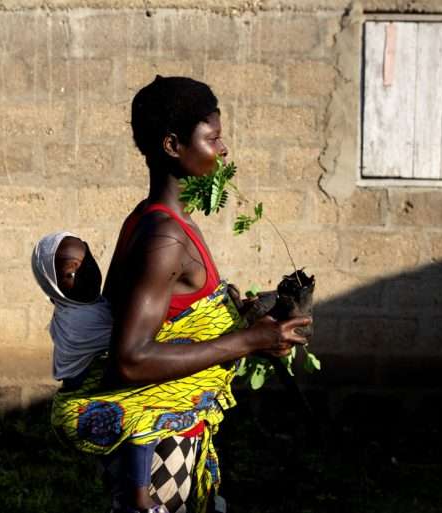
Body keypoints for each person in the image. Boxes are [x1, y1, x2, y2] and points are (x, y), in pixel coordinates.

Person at [50, 76, 311, 513]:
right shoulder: (164, 236)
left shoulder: (160, 223)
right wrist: (249, 341)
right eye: (213, 138)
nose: (223, 150)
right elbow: (130, 359)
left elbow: (176, 322)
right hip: (158, 453)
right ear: (173, 145)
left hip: (179, 435)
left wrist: (247, 320)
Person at [32, 232, 168, 513]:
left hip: (94, 391)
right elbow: (131, 349)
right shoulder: (78, 319)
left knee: (120, 468)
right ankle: (143, 501)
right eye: (71, 274)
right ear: (55, 287)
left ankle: (124, 498)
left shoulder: (92, 304)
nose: (85, 276)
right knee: (143, 416)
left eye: (88, 263)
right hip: (82, 401)